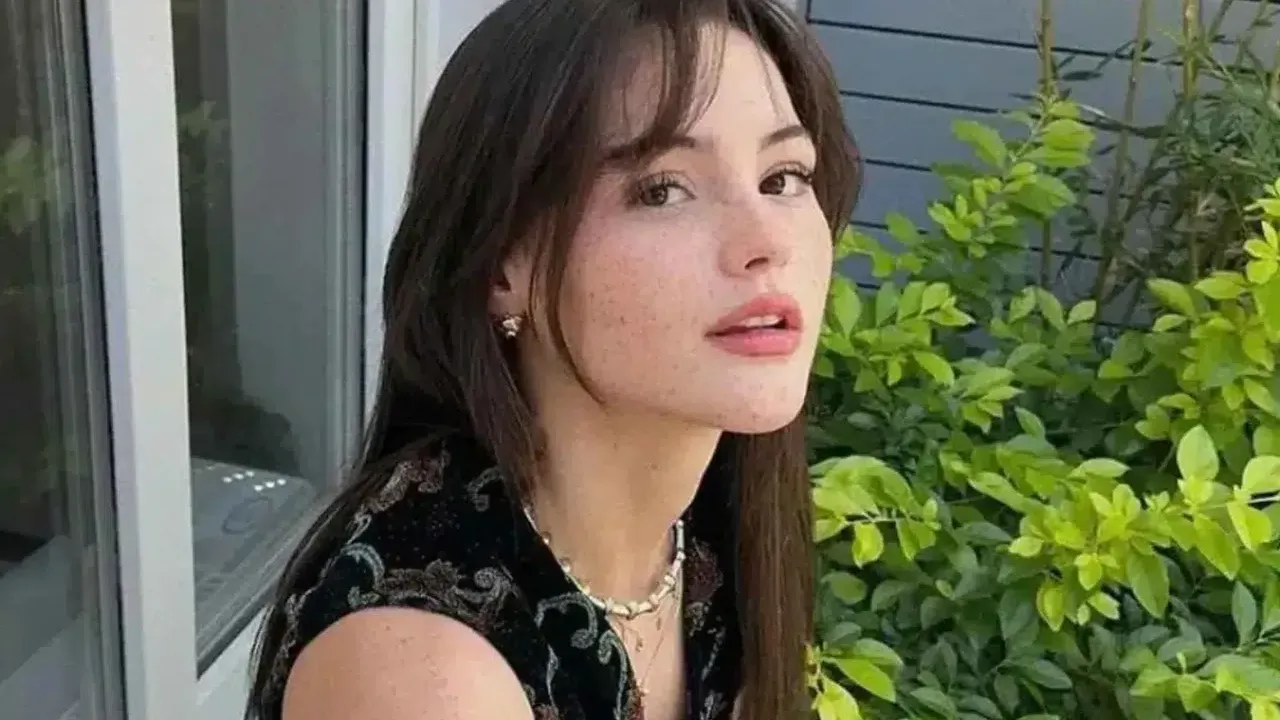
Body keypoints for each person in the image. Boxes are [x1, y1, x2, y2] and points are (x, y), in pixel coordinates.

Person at [244, 0, 859, 718]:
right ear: (502, 266)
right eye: (662, 190)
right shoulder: (422, 675)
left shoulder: (717, 521)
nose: (767, 241)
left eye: (783, 178)